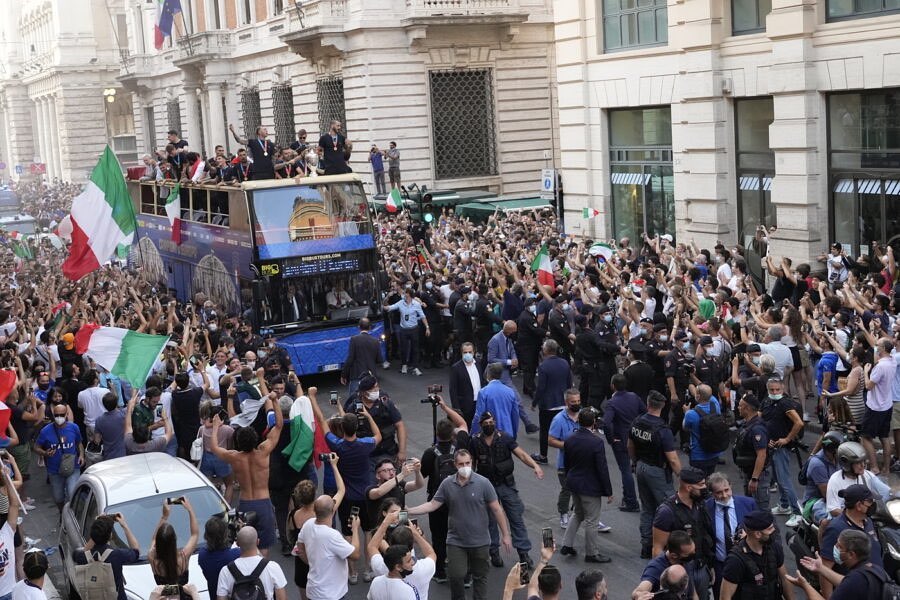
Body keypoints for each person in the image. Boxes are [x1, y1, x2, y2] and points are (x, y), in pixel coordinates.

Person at [407, 449, 513, 600]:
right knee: (456, 576)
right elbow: (432, 504)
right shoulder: (448, 484)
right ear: (455, 465)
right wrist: (410, 510)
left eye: (468, 463)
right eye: (461, 464)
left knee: (480, 577)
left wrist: (506, 535)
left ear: (472, 463)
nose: (465, 466)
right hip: (456, 541)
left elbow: (497, 509)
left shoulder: (483, 483)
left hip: (480, 541)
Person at [210, 377, 283, 556]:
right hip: (263, 502)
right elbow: (279, 426)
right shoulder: (263, 452)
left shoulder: (234, 457)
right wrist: (274, 401)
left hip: (245, 503)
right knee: (263, 546)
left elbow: (214, 447)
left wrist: (215, 427)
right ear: (256, 440)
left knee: (246, 545)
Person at [470, 411, 543, 569]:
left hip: (506, 484)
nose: (489, 425)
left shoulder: (505, 438)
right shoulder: (475, 441)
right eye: (486, 423)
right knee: (490, 521)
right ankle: (494, 551)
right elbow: (472, 464)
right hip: (487, 487)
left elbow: (522, 455)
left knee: (516, 517)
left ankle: (524, 553)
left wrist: (535, 466)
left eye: (491, 422)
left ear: (495, 422)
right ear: (481, 425)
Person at [418, 398, 468, 583]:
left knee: (439, 536)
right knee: (461, 535)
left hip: (437, 500)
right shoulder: (461, 445)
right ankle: (465, 574)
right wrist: (444, 405)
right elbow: (463, 423)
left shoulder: (431, 453)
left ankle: (439, 572)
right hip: (460, 498)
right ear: (453, 433)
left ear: (437, 434)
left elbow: (423, 475)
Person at [629, 390, 682, 558]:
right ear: (663, 406)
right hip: (658, 471)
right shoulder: (662, 429)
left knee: (647, 508)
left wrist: (635, 461)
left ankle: (647, 544)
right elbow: (672, 459)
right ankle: (667, 546)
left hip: (641, 466)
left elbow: (629, 445)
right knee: (668, 508)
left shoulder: (637, 422)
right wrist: (681, 477)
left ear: (648, 404)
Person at [559, 408, 614, 563]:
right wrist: (608, 491)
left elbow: (567, 462)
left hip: (574, 482)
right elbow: (602, 468)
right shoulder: (596, 442)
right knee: (592, 520)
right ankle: (591, 553)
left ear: (579, 421)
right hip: (590, 487)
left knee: (578, 513)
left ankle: (567, 544)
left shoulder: (570, 439)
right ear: (594, 423)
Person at [652, 468, 714, 600]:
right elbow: (658, 548)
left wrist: (710, 567)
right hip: (680, 571)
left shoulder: (700, 505)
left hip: (701, 567)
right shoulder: (666, 512)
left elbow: (704, 537)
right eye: (701, 485)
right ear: (689, 487)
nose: (705, 488)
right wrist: (664, 577)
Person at [818, 484, 884, 597]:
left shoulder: (867, 521)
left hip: (874, 589)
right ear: (859, 505)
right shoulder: (837, 528)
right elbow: (825, 568)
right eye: (870, 502)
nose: (873, 505)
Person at [785, 529, 889, 600]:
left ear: (851, 554)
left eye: (839, 546)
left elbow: (849, 584)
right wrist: (821, 568)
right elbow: (846, 582)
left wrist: (805, 585)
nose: (835, 548)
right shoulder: (874, 569)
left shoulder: (855, 580)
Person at [297, 491, 361, 600]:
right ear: (332, 511)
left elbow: (300, 548)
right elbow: (355, 555)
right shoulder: (332, 535)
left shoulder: (308, 524)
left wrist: (313, 563)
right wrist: (355, 530)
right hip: (331, 595)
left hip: (313, 591)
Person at [719, 510, 793, 600]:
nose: (774, 531)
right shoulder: (735, 560)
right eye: (770, 529)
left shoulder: (774, 547)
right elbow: (725, 597)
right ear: (758, 534)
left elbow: (784, 579)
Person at [705, 472, 758, 596]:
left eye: (726, 490)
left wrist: (750, 536)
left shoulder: (748, 504)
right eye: (718, 492)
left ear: (731, 486)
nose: (724, 495)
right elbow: (704, 539)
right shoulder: (705, 508)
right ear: (712, 493)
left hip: (747, 563)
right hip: (720, 565)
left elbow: (763, 530)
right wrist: (710, 566)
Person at [761, 376, 804, 528]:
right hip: (772, 446)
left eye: (777, 389)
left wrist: (786, 439)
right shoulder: (767, 402)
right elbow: (763, 420)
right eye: (772, 390)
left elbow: (798, 423)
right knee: (779, 479)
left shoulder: (785, 403)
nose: (775, 392)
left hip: (781, 448)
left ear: (783, 389)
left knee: (784, 481)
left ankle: (797, 513)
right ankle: (784, 505)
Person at [72, 513, 141, 600]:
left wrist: (97, 527)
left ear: (92, 535)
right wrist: (124, 525)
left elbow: (83, 552)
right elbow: (136, 551)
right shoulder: (117, 555)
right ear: (110, 536)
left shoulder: (83, 557)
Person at [603, 373, 645, 512]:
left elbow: (606, 423)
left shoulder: (612, 403)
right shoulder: (634, 397)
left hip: (621, 440)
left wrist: (611, 439)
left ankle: (631, 501)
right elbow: (644, 412)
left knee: (625, 470)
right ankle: (630, 497)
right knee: (637, 468)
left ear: (612, 386)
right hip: (636, 438)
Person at [34, 401, 84, 511]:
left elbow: (79, 443)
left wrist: (82, 456)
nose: (59, 417)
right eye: (56, 415)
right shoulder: (45, 431)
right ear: (53, 415)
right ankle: (62, 512)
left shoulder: (74, 427)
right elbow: (36, 447)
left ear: (66, 415)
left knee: (72, 493)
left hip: (72, 466)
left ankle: (72, 514)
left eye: (62, 415)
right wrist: (45, 453)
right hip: (54, 470)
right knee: (58, 497)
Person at [345, 375, 406, 463]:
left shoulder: (386, 403)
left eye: (377, 387)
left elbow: (400, 425)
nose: (376, 390)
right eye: (372, 389)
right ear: (363, 392)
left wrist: (402, 452)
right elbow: (347, 432)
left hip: (388, 451)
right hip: (366, 455)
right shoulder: (353, 408)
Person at [216, 526, 288, 600]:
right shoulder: (272, 567)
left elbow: (221, 598)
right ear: (258, 542)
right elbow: (282, 598)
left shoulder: (225, 571)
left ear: (237, 544)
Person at [148, 498, 199, 599]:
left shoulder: (152, 558)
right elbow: (195, 535)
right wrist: (190, 509)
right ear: (175, 540)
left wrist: (164, 516)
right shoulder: (183, 557)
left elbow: (154, 539)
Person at [532, 339, 573, 464]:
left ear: (545, 350)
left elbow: (541, 388)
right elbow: (569, 383)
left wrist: (534, 402)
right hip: (562, 403)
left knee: (544, 431)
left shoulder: (543, 366)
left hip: (548, 405)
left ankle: (543, 456)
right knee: (565, 430)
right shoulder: (565, 363)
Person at [861, 338, 896, 474]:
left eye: (877, 345)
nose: (875, 347)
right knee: (884, 437)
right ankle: (886, 468)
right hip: (886, 405)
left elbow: (869, 386)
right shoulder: (892, 360)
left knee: (865, 437)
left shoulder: (880, 366)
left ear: (883, 349)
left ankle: (874, 467)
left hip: (875, 407)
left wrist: (866, 371)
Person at [732, 393, 772, 511]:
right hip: (748, 472)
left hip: (757, 476)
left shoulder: (756, 429)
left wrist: (755, 479)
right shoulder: (747, 424)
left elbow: (761, 455)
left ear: (747, 408)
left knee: (761, 510)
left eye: (740, 406)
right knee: (751, 507)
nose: (738, 408)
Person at [631, 530, 697, 600]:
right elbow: (640, 590)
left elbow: (692, 591)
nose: (693, 554)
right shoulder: (656, 567)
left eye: (693, 550)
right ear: (674, 555)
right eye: (688, 554)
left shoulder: (684, 561)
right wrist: (638, 595)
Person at [383, 287, 429, 376]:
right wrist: (384, 303)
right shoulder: (400, 303)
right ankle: (404, 365)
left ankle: (415, 368)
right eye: (404, 293)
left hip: (414, 329)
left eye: (405, 293)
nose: (404, 295)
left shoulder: (416, 304)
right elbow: (390, 308)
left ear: (410, 295)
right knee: (403, 349)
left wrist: (427, 327)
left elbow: (423, 316)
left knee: (415, 349)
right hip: (403, 330)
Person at [800, 430, 842, 525]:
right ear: (832, 450)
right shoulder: (817, 464)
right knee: (829, 522)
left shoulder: (839, 459)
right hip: (817, 500)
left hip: (837, 496)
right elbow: (827, 494)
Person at [682, 384, 724, 476]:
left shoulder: (691, 414)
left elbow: (685, 428)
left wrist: (686, 412)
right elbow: (708, 394)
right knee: (709, 479)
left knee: (698, 482)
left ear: (698, 396)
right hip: (714, 453)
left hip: (698, 456)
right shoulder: (716, 406)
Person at [472, 363, 521, 439]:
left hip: (489, 434)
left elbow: (479, 415)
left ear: (488, 374)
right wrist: (514, 433)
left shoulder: (483, 392)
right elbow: (515, 415)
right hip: (508, 432)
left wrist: (473, 433)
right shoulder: (510, 392)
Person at [198, 517, 240, 600]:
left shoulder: (202, 555)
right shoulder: (236, 554)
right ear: (225, 535)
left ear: (206, 535)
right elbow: (254, 553)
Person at [341, 318, 384, 397]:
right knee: (370, 400)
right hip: (371, 376)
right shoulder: (375, 341)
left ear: (359, 327)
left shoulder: (354, 339)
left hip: (357, 375)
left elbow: (350, 358)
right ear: (370, 327)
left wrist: (344, 375)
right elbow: (380, 359)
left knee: (354, 400)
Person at [449, 342, 486, 429]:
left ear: (474, 352)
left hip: (479, 403)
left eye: (470, 352)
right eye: (465, 352)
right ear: (461, 353)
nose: (468, 354)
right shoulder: (456, 368)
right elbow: (453, 389)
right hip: (465, 406)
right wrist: (456, 408)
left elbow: (483, 381)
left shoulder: (479, 363)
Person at [0, 467, 19, 600]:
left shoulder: (6, 532)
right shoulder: (6, 532)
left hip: (10, 592)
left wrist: (7, 478)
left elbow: (14, 505)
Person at [94, 392, 125, 461]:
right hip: (123, 454)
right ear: (116, 403)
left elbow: (97, 440)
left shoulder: (99, 420)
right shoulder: (123, 415)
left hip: (108, 456)